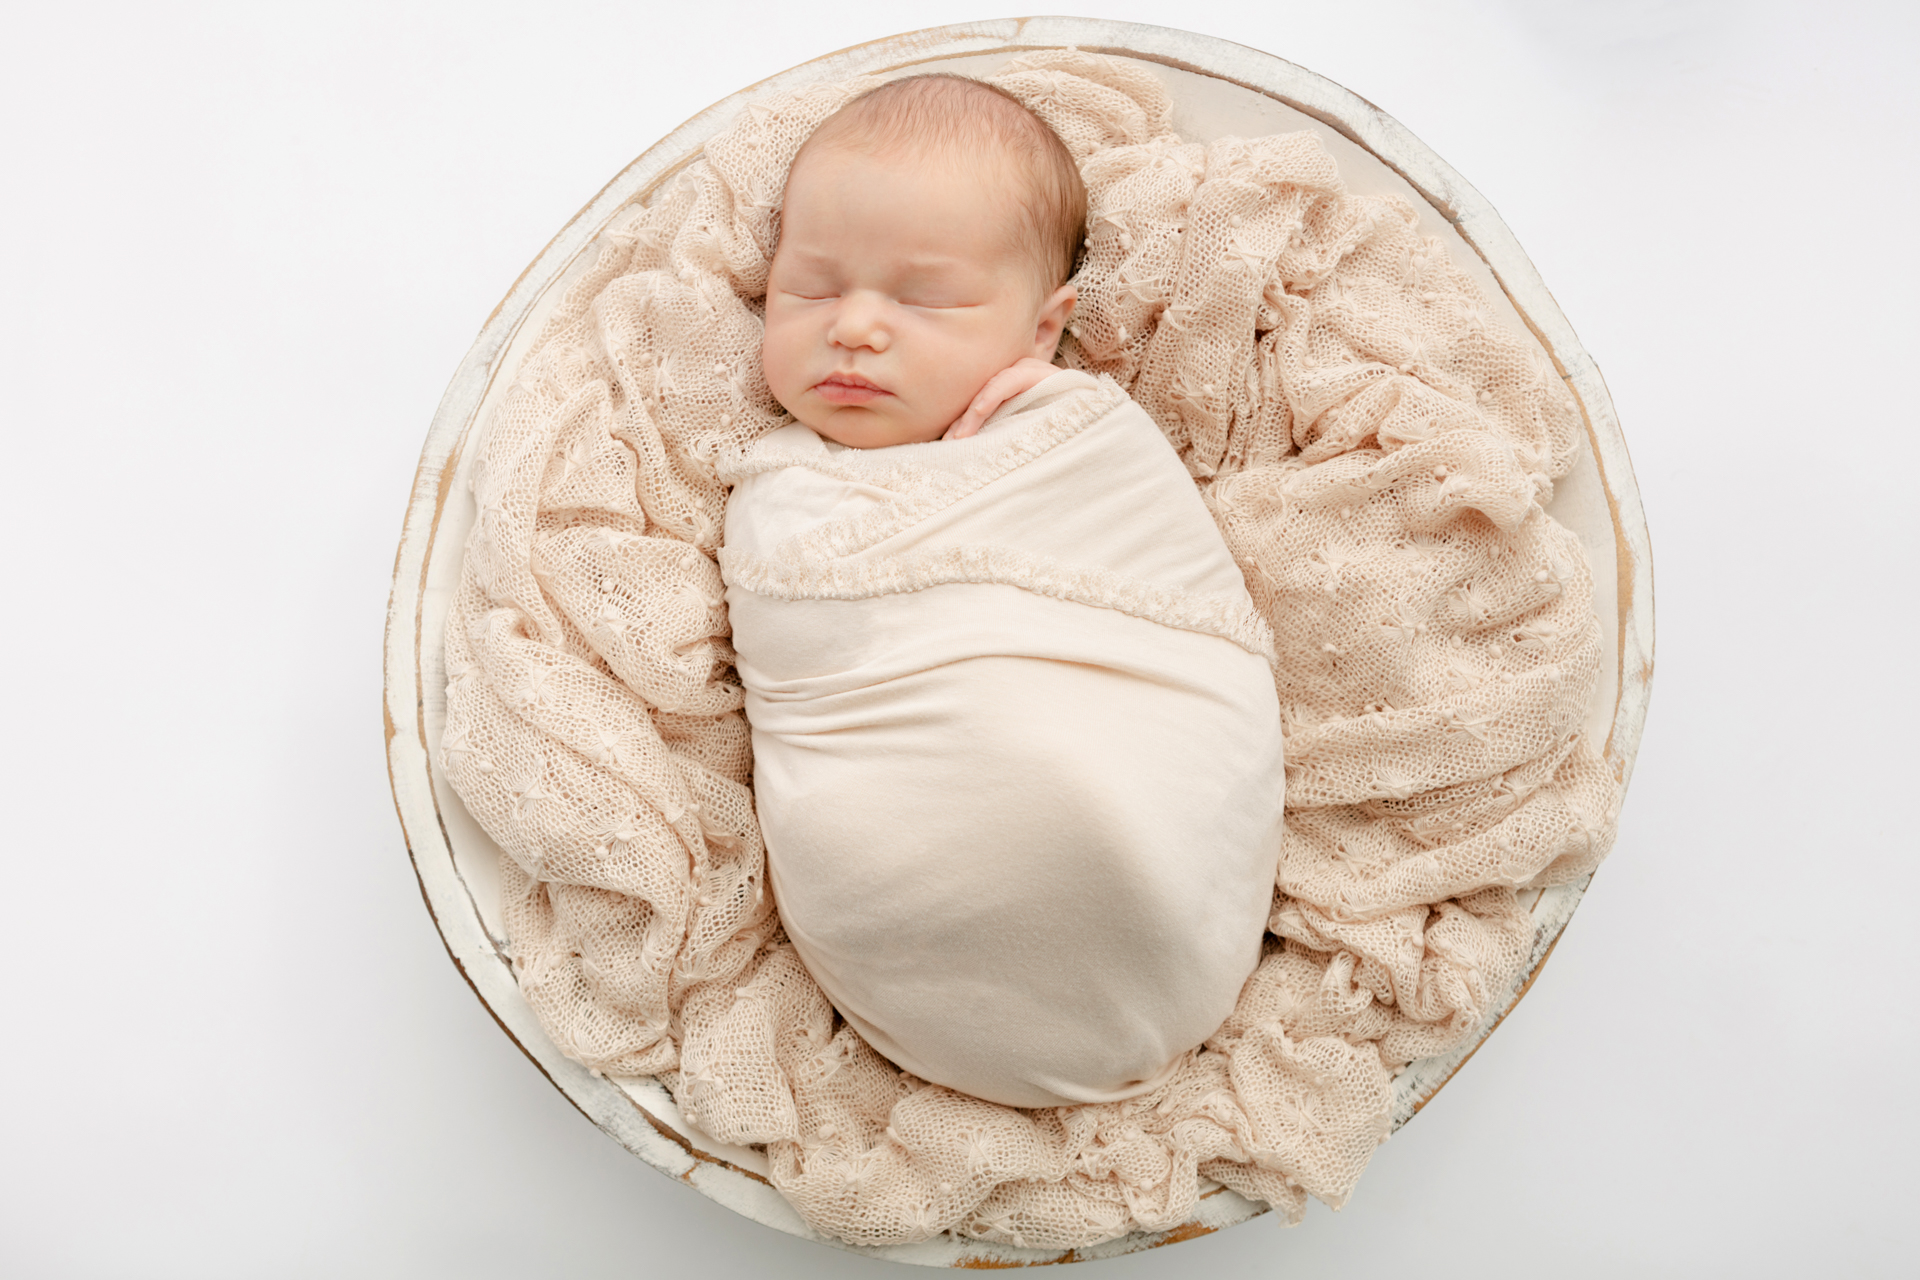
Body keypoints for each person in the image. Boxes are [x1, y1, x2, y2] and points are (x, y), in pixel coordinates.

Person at [720, 74, 1286, 1109]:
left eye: (923, 298)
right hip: (905, 878)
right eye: (807, 290)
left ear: (1040, 329)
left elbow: (1171, 593)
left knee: (1094, 801)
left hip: (1144, 830)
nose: (853, 328)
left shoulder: (1078, 443)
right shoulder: (775, 483)